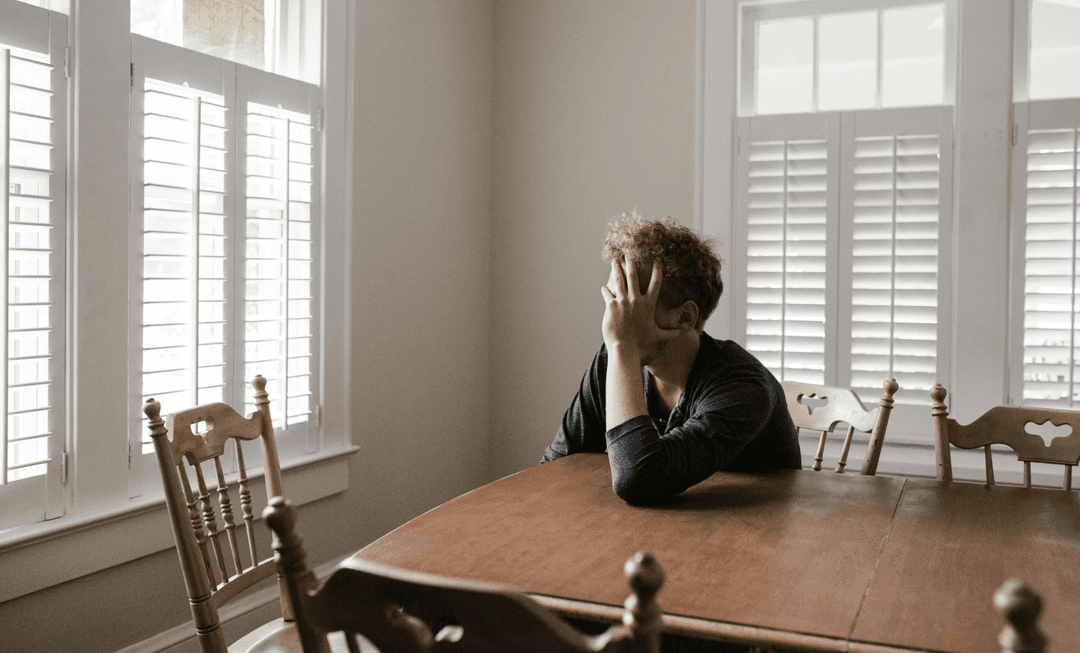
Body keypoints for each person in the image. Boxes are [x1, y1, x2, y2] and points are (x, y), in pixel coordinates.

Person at [541, 212, 801, 504]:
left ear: (685, 316)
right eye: (614, 299)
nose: (614, 318)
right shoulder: (613, 359)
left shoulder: (744, 386)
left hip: (754, 536)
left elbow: (637, 479)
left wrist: (623, 347)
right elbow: (556, 465)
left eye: (631, 302)